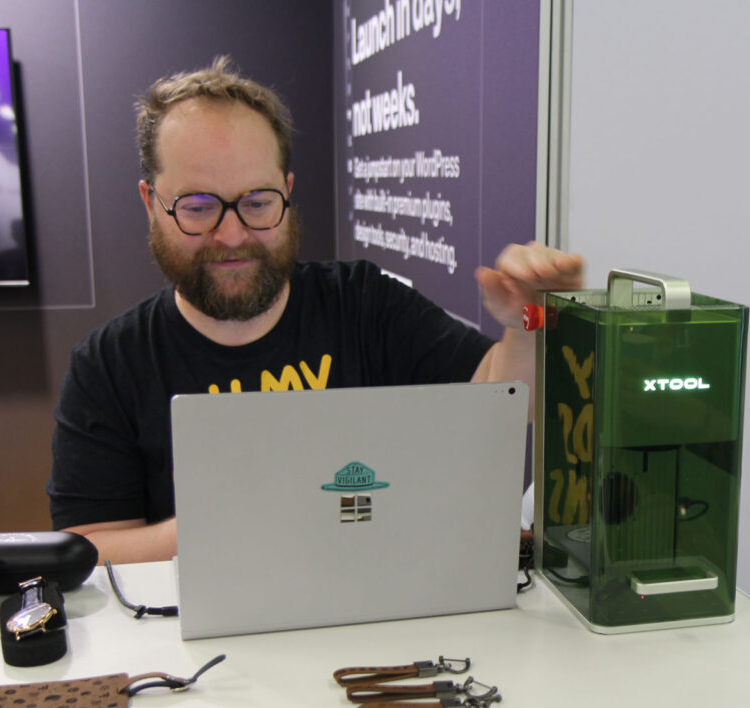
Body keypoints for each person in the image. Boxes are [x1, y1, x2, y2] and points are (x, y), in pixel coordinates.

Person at [47, 57, 583, 564]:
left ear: (287, 191)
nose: (232, 235)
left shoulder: (363, 304)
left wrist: (525, 327)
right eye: (198, 207)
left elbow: (501, 401)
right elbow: (89, 549)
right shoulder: (109, 364)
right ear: (150, 202)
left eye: (257, 202)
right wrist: (236, 523)